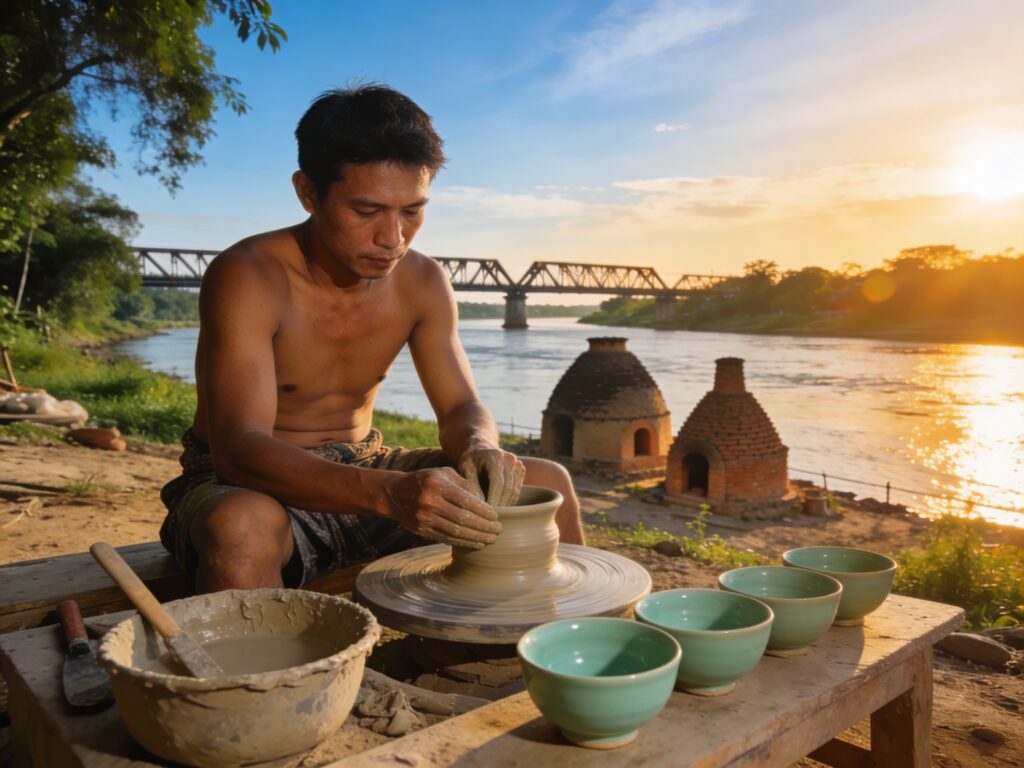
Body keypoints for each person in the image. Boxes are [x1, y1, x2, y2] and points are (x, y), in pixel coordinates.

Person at [159, 84, 584, 593]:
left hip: (367, 465)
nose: (393, 239)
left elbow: (459, 407)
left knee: (549, 482)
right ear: (309, 192)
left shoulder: (423, 281)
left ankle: (585, 652)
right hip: (247, 485)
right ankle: (256, 673)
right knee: (241, 528)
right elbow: (239, 449)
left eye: (412, 211)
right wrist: (389, 495)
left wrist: (478, 447)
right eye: (367, 212)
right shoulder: (248, 274)